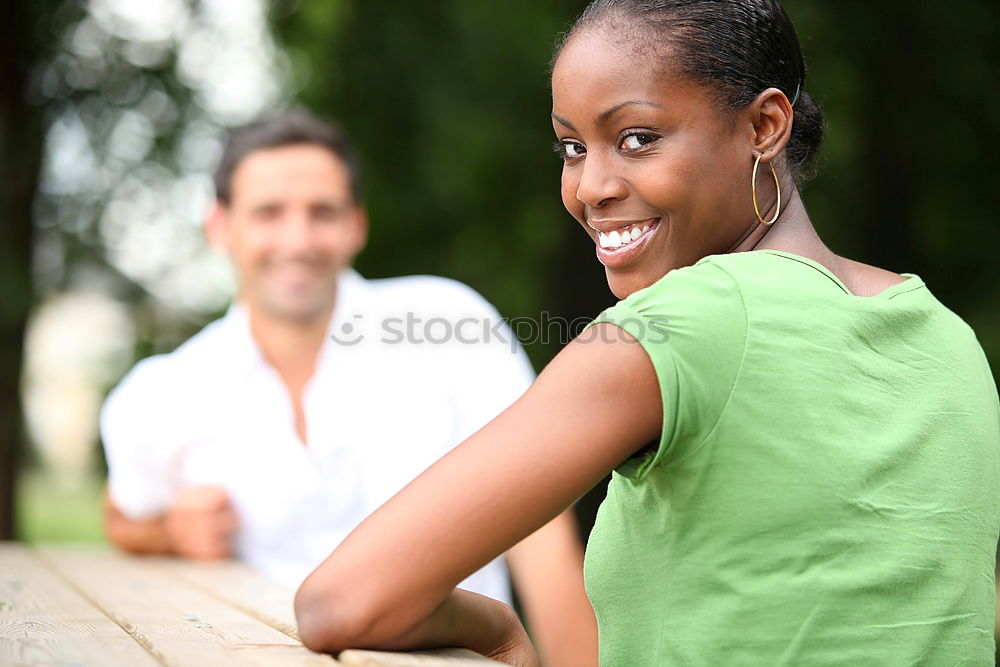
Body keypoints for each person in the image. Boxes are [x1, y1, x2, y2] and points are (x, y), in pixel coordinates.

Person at [292, 1, 1000, 664]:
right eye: (572, 147)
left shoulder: (675, 325)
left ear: (763, 127)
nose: (591, 186)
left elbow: (338, 603)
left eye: (637, 138)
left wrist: (492, 622)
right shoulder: (946, 336)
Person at [100, 109, 598, 667]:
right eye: (269, 213)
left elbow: (541, 541)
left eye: (322, 212)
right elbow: (123, 514)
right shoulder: (163, 390)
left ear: (356, 224)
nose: (298, 239)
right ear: (219, 227)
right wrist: (171, 533)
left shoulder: (451, 325)